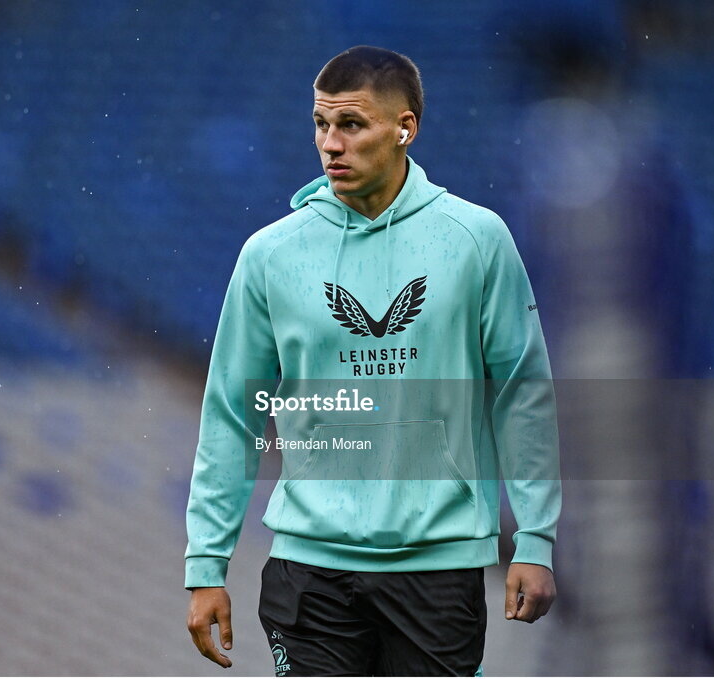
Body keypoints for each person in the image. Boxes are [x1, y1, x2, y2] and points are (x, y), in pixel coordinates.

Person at [185, 45, 561, 676]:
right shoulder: (270, 255)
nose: (331, 143)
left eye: (352, 125)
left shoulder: (477, 240)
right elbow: (231, 412)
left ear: (404, 128)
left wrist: (535, 538)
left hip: (438, 569)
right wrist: (205, 564)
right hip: (310, 571)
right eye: (320, 124)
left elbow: (523, 393)